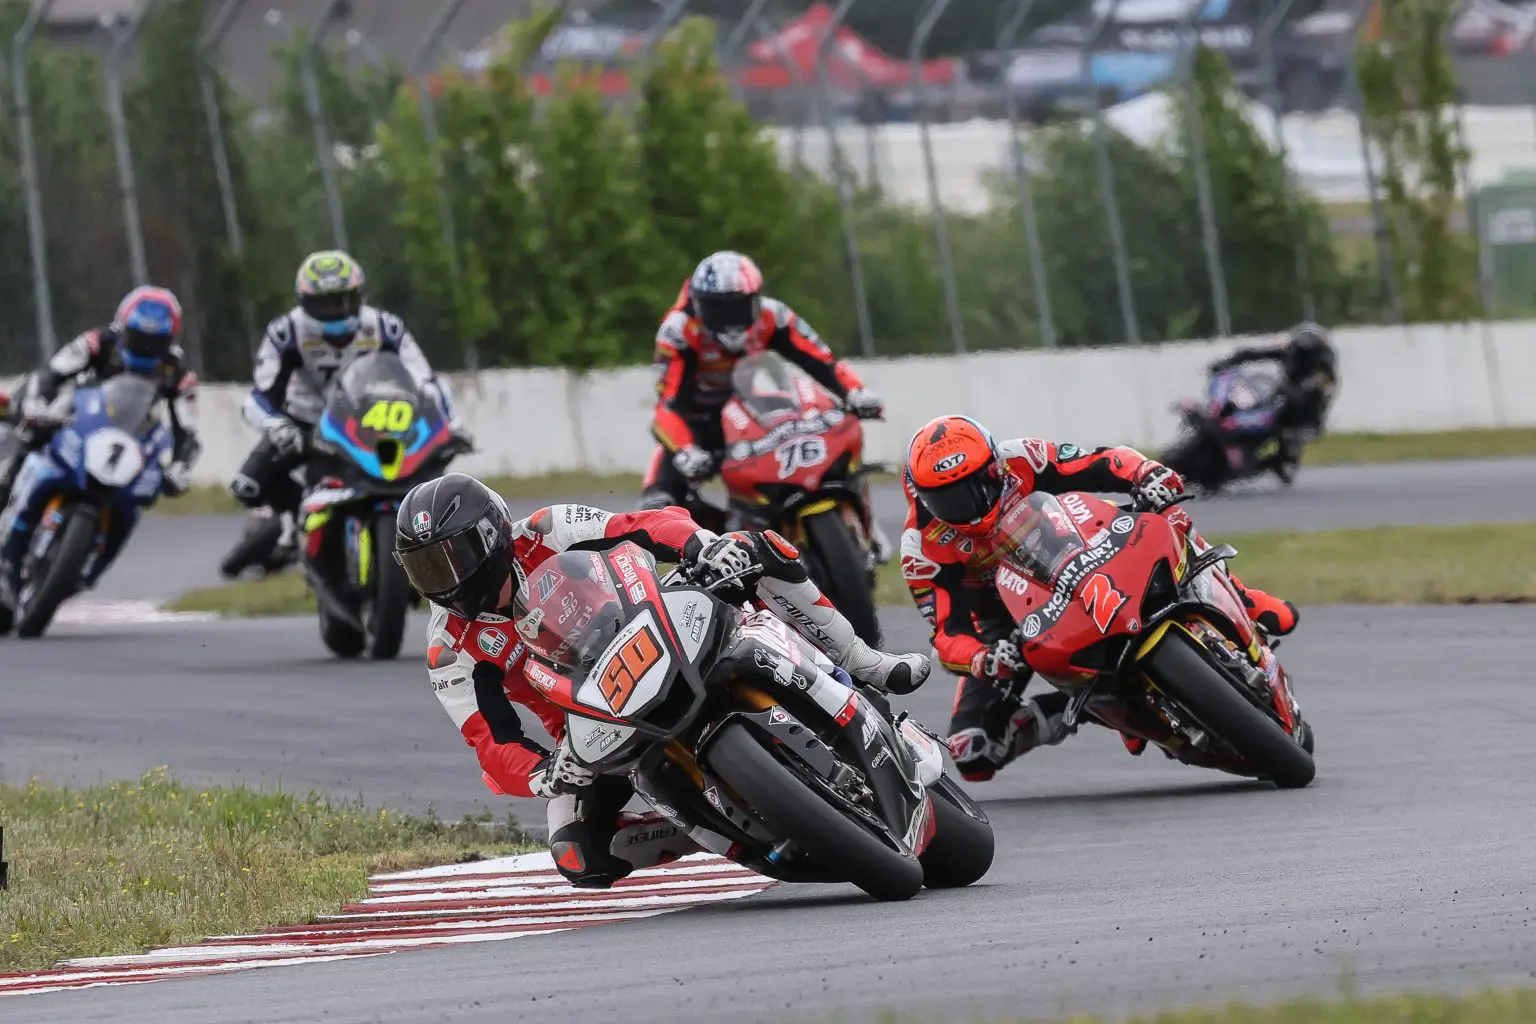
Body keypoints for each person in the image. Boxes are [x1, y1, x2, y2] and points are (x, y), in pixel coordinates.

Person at [397, 472, 931, 889]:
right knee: (577, 856)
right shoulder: (449, 646)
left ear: (490, 536)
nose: (441, 582)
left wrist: (700, 546)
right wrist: (543, 773)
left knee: (756, 547)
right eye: (423, 568)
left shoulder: (545, 529)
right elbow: (491, 741)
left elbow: (642, 525)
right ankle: (703, 822)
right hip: (590, 729)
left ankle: (862, 663)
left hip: (660, 625)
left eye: (449, 560)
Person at [899, 414, 1301, 783]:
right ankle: (1100, 708)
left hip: (1083, 543)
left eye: (976, 486)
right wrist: (983, 658)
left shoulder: (1023, 457)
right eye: (948, 498)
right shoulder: (921, 547)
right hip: (1010, 619)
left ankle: (1244, 599)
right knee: (972, 751)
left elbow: (1103, 460)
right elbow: (946, 633)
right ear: (921, 495)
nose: (967, 505)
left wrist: (1147, 473)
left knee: (1166, 515)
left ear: (995, 466)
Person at [640, 250, 890, 556]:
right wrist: (685, 449)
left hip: (762, 407)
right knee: (656, 504)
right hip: (701, 422)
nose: (731, 321)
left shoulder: (774, 315)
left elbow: (821, 360)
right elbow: (667, 405)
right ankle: (712, 559)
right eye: (719, 310)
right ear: (699, 304)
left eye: (739, 308)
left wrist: (855, 391)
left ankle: (862, 523)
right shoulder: (678, 331)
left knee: (835, 438)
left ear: (756, 300)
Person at [231, 250, 462, 563]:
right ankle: (295, 516)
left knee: (434, 461)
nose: (335, 310)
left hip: (368, 420)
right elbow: (260, 395)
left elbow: (426, 380)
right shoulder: (286, 332)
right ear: (304, 302)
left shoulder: (383, 326)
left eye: (343, 300)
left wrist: (447, 419)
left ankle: (424, 536)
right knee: (247, 485)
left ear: (359, 296)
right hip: (305, 422)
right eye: (324, 303)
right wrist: (275, 424)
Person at [0, 286, 200, 618]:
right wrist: (38, 404)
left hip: (125, 441)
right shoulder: (97, 342)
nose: (147, 346)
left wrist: (180, 465)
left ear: (171, 339)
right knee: (32, 438)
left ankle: (87, 569)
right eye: (139, 337)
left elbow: (187, 429)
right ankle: (6, 493)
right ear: (124, 327)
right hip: (72, 413)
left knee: (132, 503)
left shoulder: (177, 373)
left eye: (156, 340)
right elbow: (52, 373)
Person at [1208, 322, 1340, 479]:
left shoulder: (1324, 359)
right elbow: (1256, 354)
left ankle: (1278, 461)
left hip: (1302, 409)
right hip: (1279, 394)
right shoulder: (1289, 351)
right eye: (1300, 349)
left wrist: (1311, 388)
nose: (1304, 353)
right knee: (1250, 404)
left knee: (1291, 434)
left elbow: (1328, 383)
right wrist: (1232, 360)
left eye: (1308, 350)